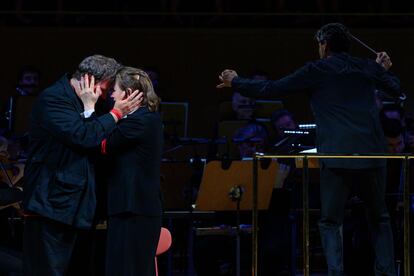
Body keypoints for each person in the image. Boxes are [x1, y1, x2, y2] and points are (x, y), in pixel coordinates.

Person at [217, 23, 402, 276]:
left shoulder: (317, 70)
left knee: (330, 221)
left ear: (324, 45)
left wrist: (235, 81)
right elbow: (396, 89)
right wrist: (383, 69)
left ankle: (336, 273)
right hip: (371, 154)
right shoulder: (367, 67)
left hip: (336, 156)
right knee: (379, 218)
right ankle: (388, 273)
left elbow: (271, 89)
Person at [22, 55, 142, 275]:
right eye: (106, 89)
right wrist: (115, 114)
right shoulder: (53, 99)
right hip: (52, 206)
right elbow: (84, 136)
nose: (107, 96)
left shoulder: (93, 103)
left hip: (79, 207)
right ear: (89, 80)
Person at [97, 67, 163, 276]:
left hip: (135, 208)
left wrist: (90, 110)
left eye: (114, 90)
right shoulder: (136, 120)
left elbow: (101, 144)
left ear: (128, 93)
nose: (111, 95)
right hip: (128, 208)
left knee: (129, 270)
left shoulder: (141, 120)